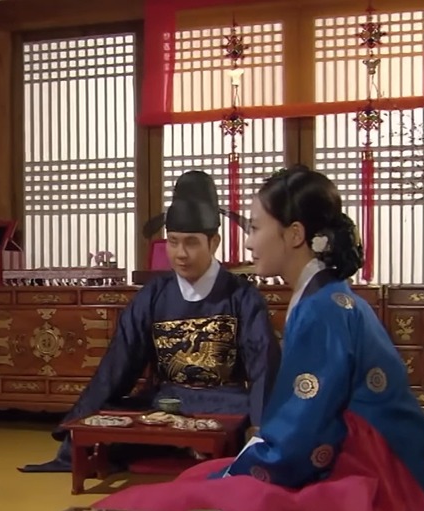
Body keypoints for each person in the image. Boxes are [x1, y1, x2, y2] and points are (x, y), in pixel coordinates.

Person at [94, 166, 424, 511]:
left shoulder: (322, 308)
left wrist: (248, 465)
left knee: (203, 503)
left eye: (256, 228)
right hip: (354, 452)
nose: (250, 242)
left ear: (295, 234)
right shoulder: (324, 294)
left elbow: (302, 433)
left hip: (376, 478)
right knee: (200, 479)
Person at [21, 170, 280, 473]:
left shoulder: (242, 296)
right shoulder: (153, 295)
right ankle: (182, 448)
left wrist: (261, 430)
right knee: (113, 418)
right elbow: (119, 363)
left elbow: (263, 366)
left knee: (245, 429)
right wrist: (79, 421)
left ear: (214, 242)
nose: (181, 254)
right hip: (167, 402)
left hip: (225, 403)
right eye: (173, 242)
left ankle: (195, 449)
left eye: (192, 243)